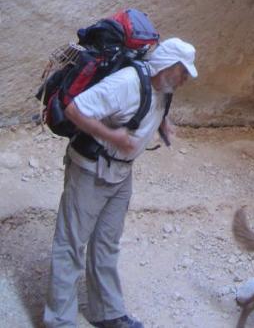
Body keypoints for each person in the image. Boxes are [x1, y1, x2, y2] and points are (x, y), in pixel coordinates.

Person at [43, 37, 199, 328]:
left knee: (107, 243)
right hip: (91, 170)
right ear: (167, 66)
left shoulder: (164, 87)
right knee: (71, 244)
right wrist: (114, 137)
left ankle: (108, 313)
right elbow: (76, 110)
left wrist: (163, 125)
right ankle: (59, 320)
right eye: (183, 72)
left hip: (120, 173)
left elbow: (152, 110)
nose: (185, 80)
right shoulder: (127, 83)